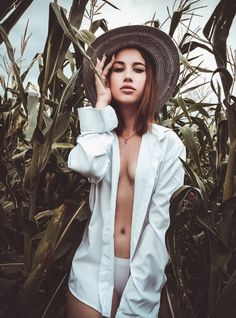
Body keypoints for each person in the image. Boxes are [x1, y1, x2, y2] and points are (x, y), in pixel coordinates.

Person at [66, 25, 185, 318]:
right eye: (118, 68)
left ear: (150, 79)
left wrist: (136, 297)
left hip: (143, 273)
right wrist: (100, 105)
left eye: (138, 69)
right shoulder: (102, 137)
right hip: (92, 269)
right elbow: (85, 165)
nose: (128, 76)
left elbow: (160, 228)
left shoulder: (168, 144)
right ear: (107, 78)